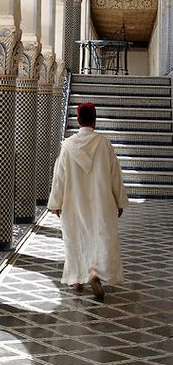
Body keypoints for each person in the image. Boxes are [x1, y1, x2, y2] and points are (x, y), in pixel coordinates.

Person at [47, 101, 128, 299]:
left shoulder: (68, 146)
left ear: (78, 120)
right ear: (95, 120)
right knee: (100, 238)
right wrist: (119, 201)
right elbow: (115, 174)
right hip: (102, 203)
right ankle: (94, 271)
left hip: (74, 204)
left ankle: (77, 278)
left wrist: (56, 203)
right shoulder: (103, 144)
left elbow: (59, 177)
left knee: (75, 239)